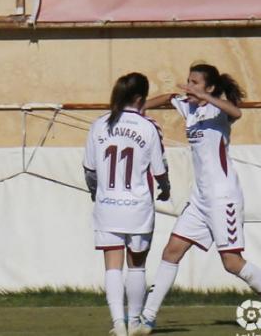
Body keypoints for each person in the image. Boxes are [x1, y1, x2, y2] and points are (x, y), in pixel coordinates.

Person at [133, 63, 261, 334]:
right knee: (171, 251)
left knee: (232, 262)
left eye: (195, 82)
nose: (189, 86)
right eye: (188, 81)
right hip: (200, 199)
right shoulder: (189, 107)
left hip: (223, 198)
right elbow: (168, 99)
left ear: (209, 87)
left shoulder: (217, 110)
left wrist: (207, 98)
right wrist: (138, 108)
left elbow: (237, 112)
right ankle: (147, 318)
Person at [83, 72, 171, 336]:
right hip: (138, 208)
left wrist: (94, 192)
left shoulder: (99, 125)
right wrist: (166, 189)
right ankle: (135, 322)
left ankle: (118, 324)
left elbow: (89, 170)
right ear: (141, 98)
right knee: (137, 265)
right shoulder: (148, 126)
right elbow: (160, 170)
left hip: (107, 205)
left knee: (112, 265)